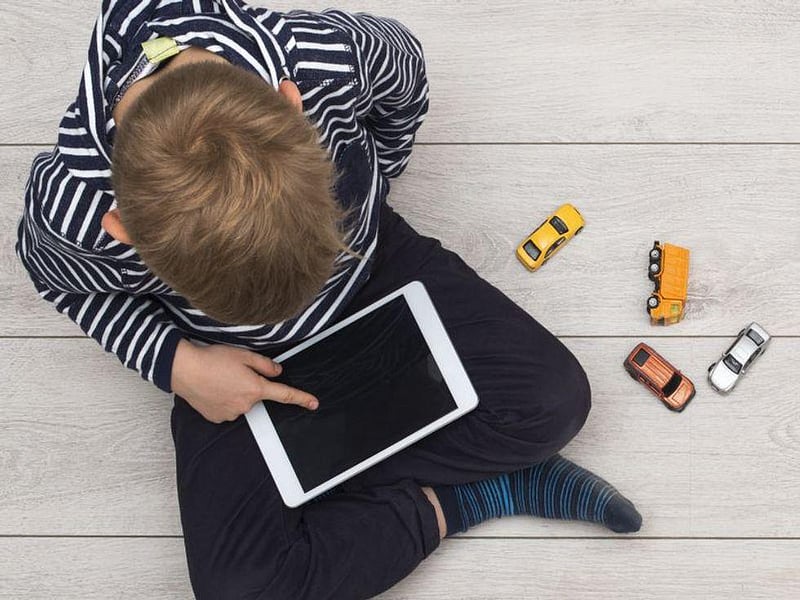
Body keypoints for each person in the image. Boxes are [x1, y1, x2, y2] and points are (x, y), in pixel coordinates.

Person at [15, 1, 641, 598]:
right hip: (238, 363)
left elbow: (405, 70)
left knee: (555, 401)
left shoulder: (323, 61)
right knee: (240, 590)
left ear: (294, 107)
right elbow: (61, 285)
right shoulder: (76, 211)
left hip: (370, 270)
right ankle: (474, 496)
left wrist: (380, 174)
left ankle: (343, 487)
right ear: (122, 229)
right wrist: (180, 364)